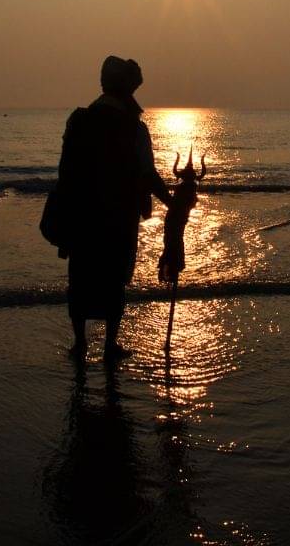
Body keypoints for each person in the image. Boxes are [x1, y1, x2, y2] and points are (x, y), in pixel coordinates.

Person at [57, 55, 171, 361]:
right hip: (119, 217)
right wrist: (171, 203)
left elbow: (66, 172)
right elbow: (147, 174)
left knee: (80, 278)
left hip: (83, 215)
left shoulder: (78, 120)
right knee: (115, 279)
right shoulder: (135, 129)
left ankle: (79, 344)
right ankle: (109, 345)